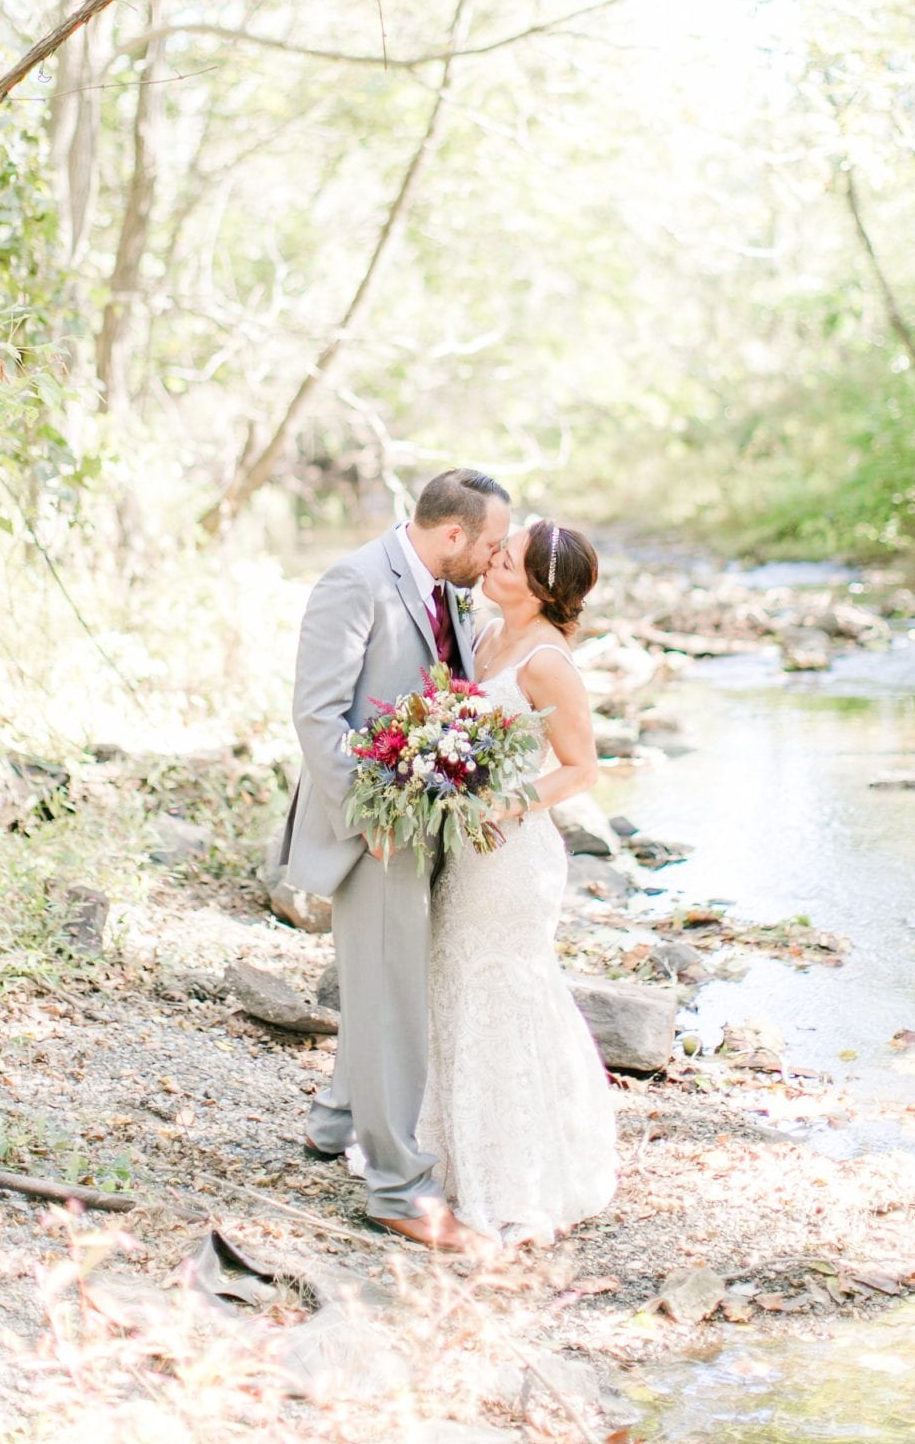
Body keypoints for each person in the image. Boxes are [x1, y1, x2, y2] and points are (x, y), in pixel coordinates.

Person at [279, 468, 510, 1247]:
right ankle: (398, 1191)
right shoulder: (355, 585)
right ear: (453, 536)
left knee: (384, 988)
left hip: (425, 823)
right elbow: (317, 715)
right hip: (376, 831)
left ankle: (335, 1120)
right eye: (492, 544)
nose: (495, 559)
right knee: (390, 1000)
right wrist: (367, 815)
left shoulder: (448, 590)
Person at [419, 520, 618, 1246]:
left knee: (499, 991)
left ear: (538, 586)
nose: (492, 558)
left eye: (506, 557)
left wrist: (503, 803)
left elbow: (580, 769)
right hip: (462, 844)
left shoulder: (545, 661)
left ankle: (516, 1176)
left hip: (510, 853)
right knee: (454, 982)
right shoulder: (484, 631)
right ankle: (450, 1155)